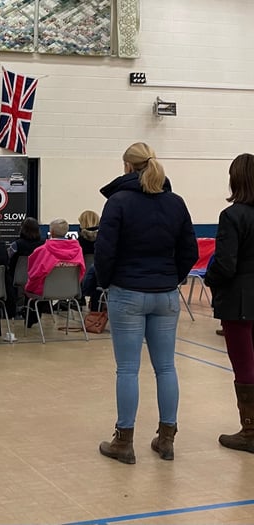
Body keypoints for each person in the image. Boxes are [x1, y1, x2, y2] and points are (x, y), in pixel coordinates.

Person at [95, 142, 198, 464]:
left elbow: (105, 251)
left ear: (127, 166)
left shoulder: (118, 202)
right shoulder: (176, 203)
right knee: (166, 367)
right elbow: (190, 252)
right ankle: (166, 438)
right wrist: (172, 278)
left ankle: (123, 441)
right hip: (165, 293)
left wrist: (106, 283)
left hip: (127, 291)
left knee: (127, 369)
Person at [204, 153, 254, 454]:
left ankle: (249, 431)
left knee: (245, 364)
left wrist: (210, 279)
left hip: (239, 301)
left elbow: (225, 264)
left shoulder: (232, 216)